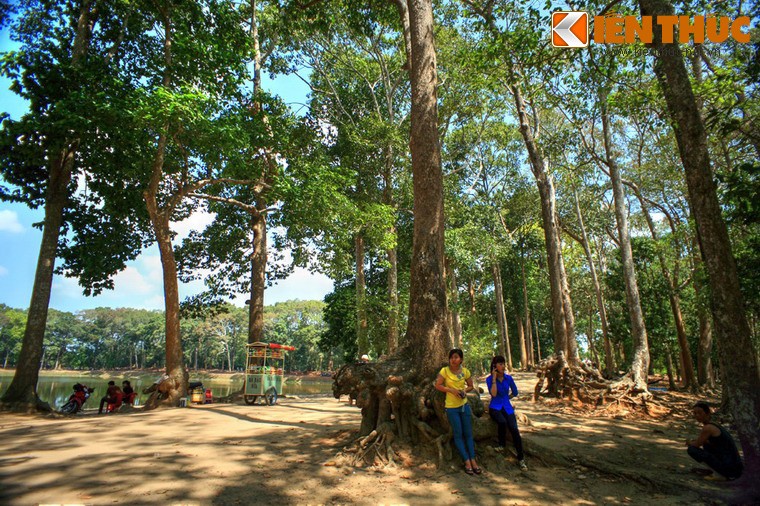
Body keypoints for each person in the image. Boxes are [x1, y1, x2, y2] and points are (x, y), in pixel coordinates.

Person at [435, 348, 481, 475]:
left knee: (468, 434)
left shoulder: (465, 371)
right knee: (458, 434)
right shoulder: (444, 371)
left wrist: (464, 391)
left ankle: (473, 460)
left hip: (464, 406)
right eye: (451, 357)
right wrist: (451, 390)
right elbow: (437, 385)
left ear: (461, 359)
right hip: (451, 408)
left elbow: (471, 385)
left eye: (456, 357)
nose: (453, 360)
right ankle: (466, 461)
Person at [486, 355, 527, 471]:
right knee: (502, 422)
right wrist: (494, 379)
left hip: (507, 407)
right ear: (494, 366)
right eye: (500, 364)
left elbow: (515, 392)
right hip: (495, 407)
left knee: (514, 429)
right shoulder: (489, 379)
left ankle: (521, 459)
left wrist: (506, 398)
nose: (502, 366)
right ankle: (501, 445)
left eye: (503, 364)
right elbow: (493, 394)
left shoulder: (509, 378)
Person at [686, 401, 743, 480]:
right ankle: (716, 470)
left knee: (692, 449)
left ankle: (720, 474)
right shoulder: (714, 425)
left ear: (708, 413)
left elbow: (697, 444)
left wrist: (689, 442)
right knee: (706, 445)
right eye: (695, 413)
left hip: (731, 468)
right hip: (735, 467)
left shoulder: (708, 428)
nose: (697, 416)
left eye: (699, 413)